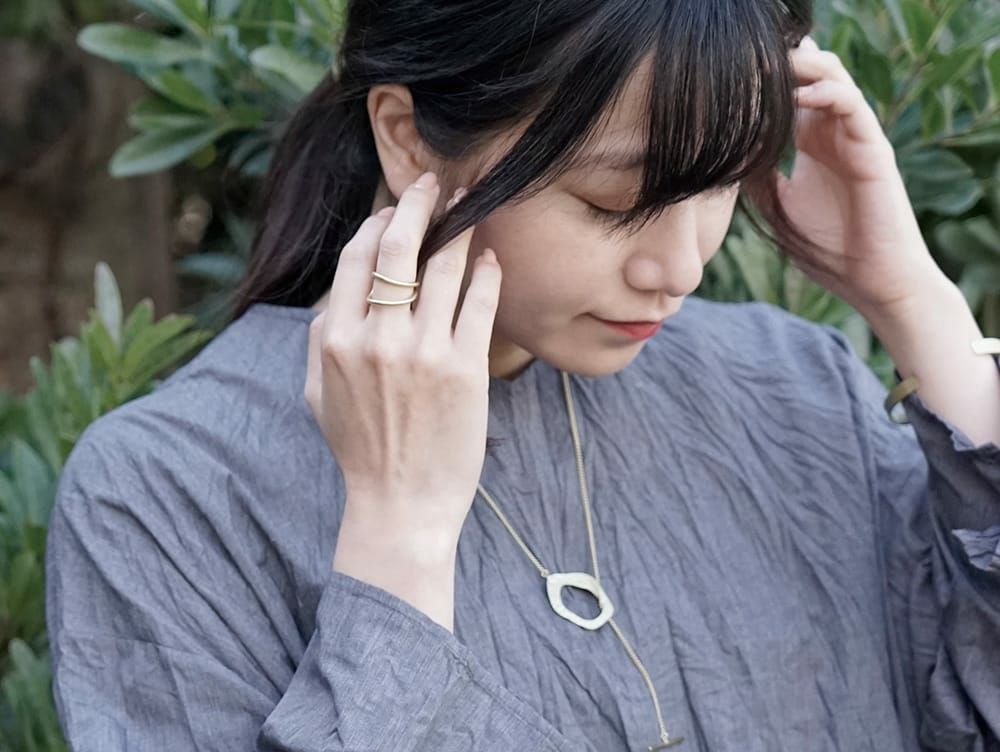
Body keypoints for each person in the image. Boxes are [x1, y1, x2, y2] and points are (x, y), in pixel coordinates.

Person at [45, 0, 1000, 750]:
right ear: (407, 136)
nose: (680, 268)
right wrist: (400, 537)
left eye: (719, 183)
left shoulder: (788, 387)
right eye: (613, 201)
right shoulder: (171, 495)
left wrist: (914, 299)